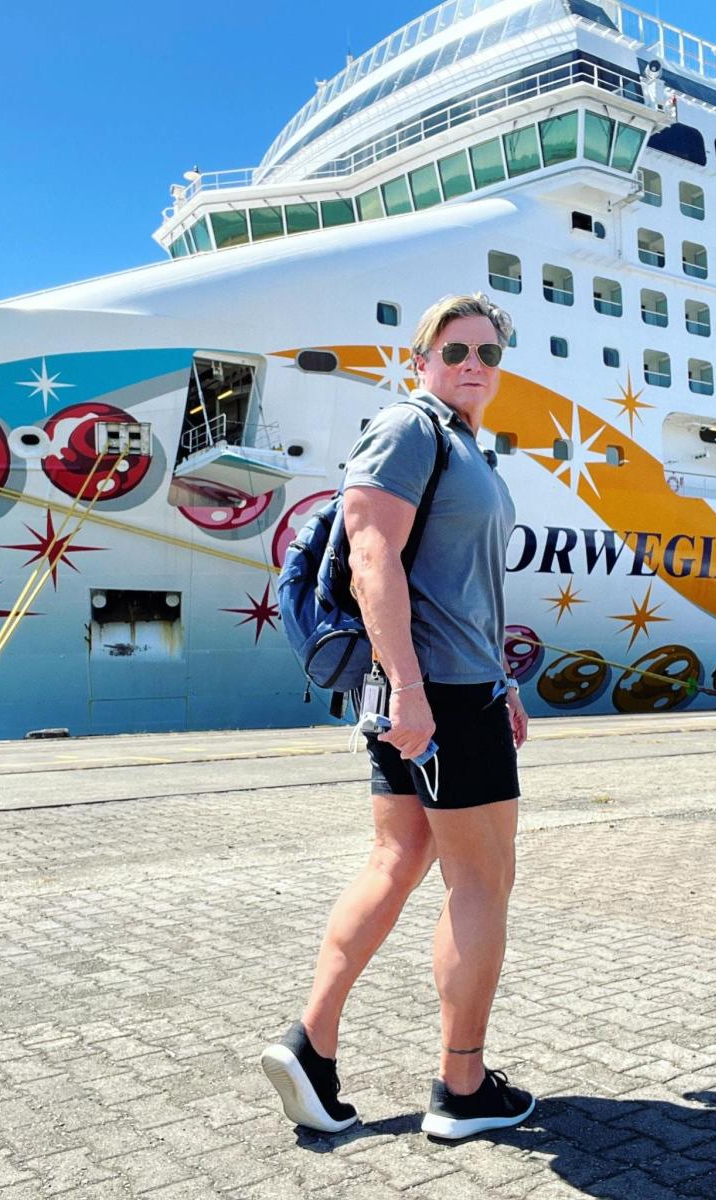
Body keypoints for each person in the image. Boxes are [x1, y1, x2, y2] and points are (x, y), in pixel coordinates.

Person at [262, 293, 533, 1141]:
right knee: (479, 882)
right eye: (454, 349)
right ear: (421, 358)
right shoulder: (413, 429)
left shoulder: (462, 445)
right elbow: (373, 550)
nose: (472, 365)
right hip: (437, 697)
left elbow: (454, 586)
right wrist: (412, 689)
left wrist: (502, 681)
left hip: (448, 687)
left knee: (398, 857)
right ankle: (462, 1086)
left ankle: (311, 1049)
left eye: (488, 352)